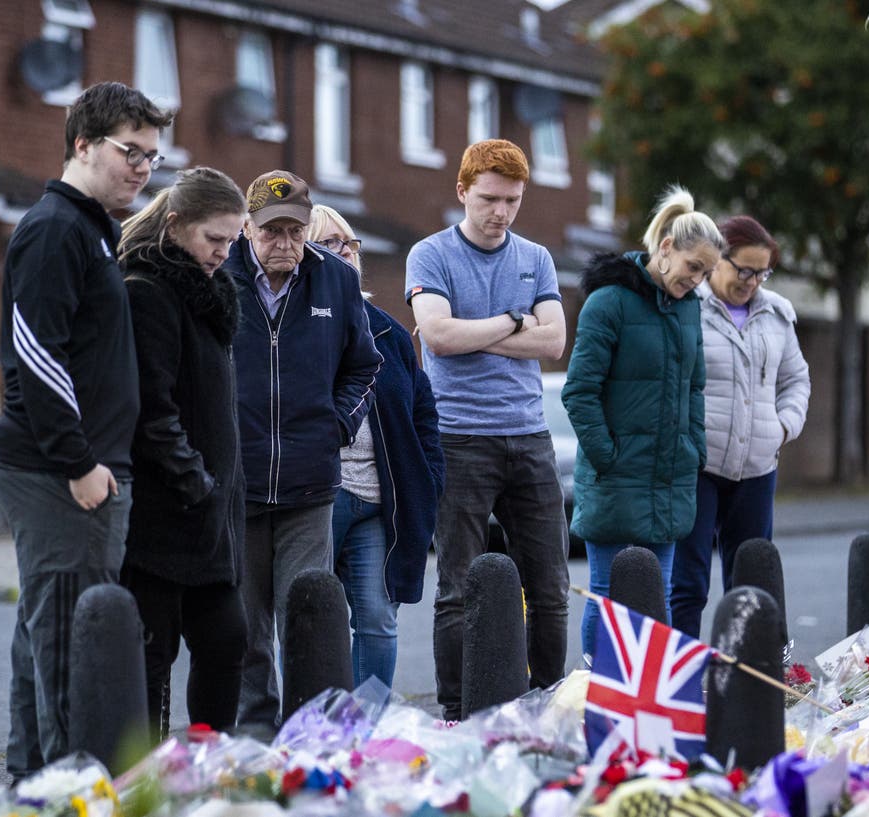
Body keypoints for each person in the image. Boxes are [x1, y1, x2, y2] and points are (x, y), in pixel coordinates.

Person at [0, 81, 172, 778]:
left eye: (153, 157)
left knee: (48, 632)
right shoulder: (56, 229)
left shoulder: (93, 228)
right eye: (131, 151)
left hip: (74, 465)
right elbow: (35, 352)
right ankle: (68, 785)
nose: (143, 168)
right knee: (70, 633)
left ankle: (36, 782)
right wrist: (79, 462)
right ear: (83, 144)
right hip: (59, 470)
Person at [406, 139, 569, 721]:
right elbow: (438, 338)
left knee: (549, 588)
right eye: (489, 199)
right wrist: (512, 321)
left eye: (513, 201)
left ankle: (548, 704)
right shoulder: (430, 255)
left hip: (528, 436)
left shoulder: (536, 258)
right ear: (462, 192)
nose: (501, 213)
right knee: (457, 587)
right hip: (459, 437)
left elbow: (554, 343)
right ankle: (458, 709)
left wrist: (476, 332)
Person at [226, 171, 382, 734]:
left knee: (306, 613)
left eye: (294, 230)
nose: (284, 243)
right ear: (247, 227)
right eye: (271, 232)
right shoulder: (219, 275)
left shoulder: (334, 280)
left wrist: (335, 424)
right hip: (237, 485)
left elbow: (364, 364)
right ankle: (254, 731)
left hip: (310, 484)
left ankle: (307, 727)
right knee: (245, 623)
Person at [561, 185, 726, 659]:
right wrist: (608, 457)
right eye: (694, 266)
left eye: (707, 272)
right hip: (616, 479)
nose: (697, 279)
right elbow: (579, 391)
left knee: (659, 595)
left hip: (669, 479)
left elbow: (694, 388)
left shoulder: (689, 308)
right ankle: (596, 689)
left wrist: (693, 449)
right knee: (608, 594)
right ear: (667, 248)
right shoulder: (609, 302)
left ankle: (649, 696)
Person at [116, 167, 249, 741]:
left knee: (227, 640)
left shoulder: (207, 297)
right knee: (151, 657)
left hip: (210, 515)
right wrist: (194, 481)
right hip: (165, 511)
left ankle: (205, 762)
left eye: (231, 241)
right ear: (174, 226)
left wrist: (216, 492)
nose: (223, 253)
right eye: (213, 239)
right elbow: (152, 406)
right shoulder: (147, 292)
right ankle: (140, 780)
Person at [308, 204, 445, 690]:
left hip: (377, 503)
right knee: (308, 622)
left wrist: (427, 479)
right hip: (317, 499)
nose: (346, 252)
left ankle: (362, 734)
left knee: (377, 620)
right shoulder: (294, 327)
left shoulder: (386, 330)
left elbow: (422, 412)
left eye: (350, 244)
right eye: (330, 245)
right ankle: (310, 732)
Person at [669, 216, 810, 639]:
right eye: (743, 270)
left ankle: (743, 676)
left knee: (750, 579)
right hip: (698, 466)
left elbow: (796, 380)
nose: (751, 281)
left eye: (761, 272)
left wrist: (783, 426)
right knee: (688, 582)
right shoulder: (686, 306)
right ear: (718, 260)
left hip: (757, 468)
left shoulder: (777, 315)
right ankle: (685, 678)